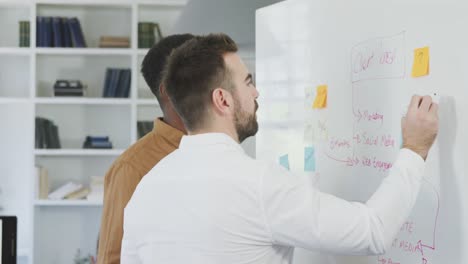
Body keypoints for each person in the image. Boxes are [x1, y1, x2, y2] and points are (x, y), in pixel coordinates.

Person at [121, 34, 439, 264]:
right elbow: (373, 231)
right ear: (222, 99)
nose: (256, 91)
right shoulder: (259, 185)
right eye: (247, 82)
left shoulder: (145, 191)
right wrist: (415, 148)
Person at [97, 34, 195, 264]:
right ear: (169, 92)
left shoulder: (223, 149)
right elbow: (113, 258)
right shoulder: (132, 168)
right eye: (202, 76)